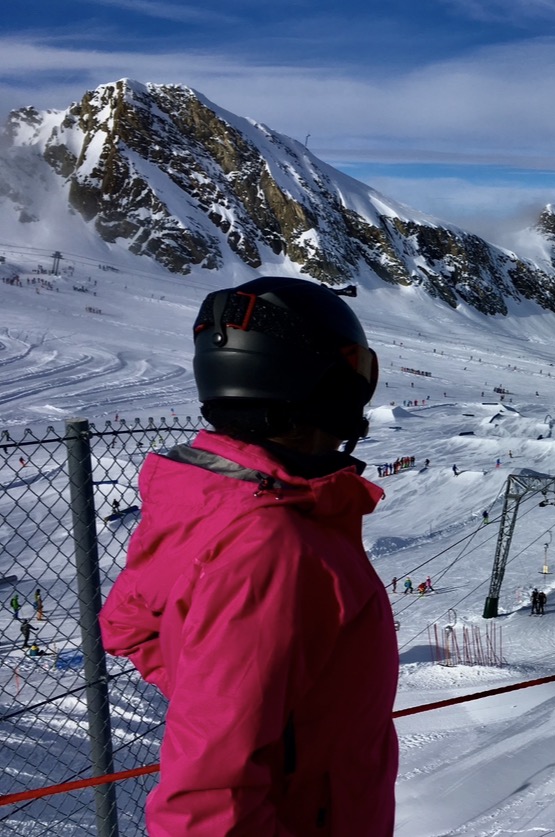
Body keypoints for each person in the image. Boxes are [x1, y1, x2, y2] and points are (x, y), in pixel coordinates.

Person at [99, 277, 398, 835]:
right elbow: (207, 813)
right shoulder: (273, 548)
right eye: (355, 372)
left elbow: (132, 623)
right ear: (320, 384)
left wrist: (237, 696)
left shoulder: (211, 501)